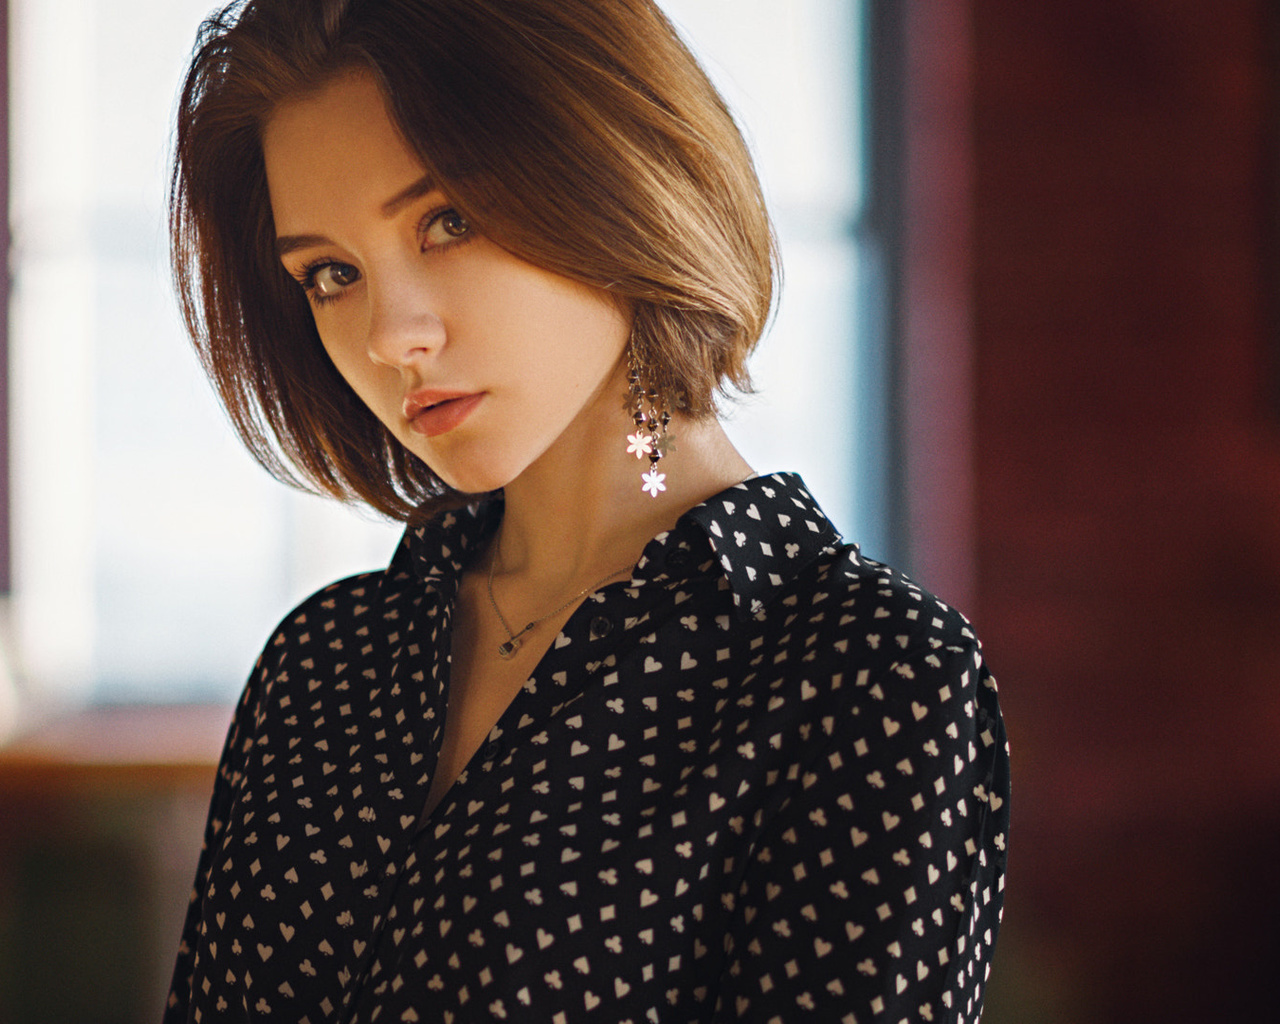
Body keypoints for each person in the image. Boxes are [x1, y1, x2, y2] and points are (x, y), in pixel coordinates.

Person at [164, 0, 1010, 1021]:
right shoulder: (324, 666)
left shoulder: (864, 675)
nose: (391, 336)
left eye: (446, 221)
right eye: (330, 274)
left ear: (613, 181)